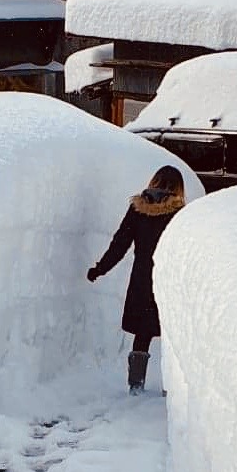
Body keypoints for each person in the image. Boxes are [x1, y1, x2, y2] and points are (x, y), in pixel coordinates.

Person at [86, 165, 186, 394]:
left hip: (142, 279)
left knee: (143, 332)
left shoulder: (137, 209)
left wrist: (100, 268)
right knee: (173, 334)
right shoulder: (179, 212)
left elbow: (120, 243)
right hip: (168, 279)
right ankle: (172, 390)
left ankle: (135, 385)